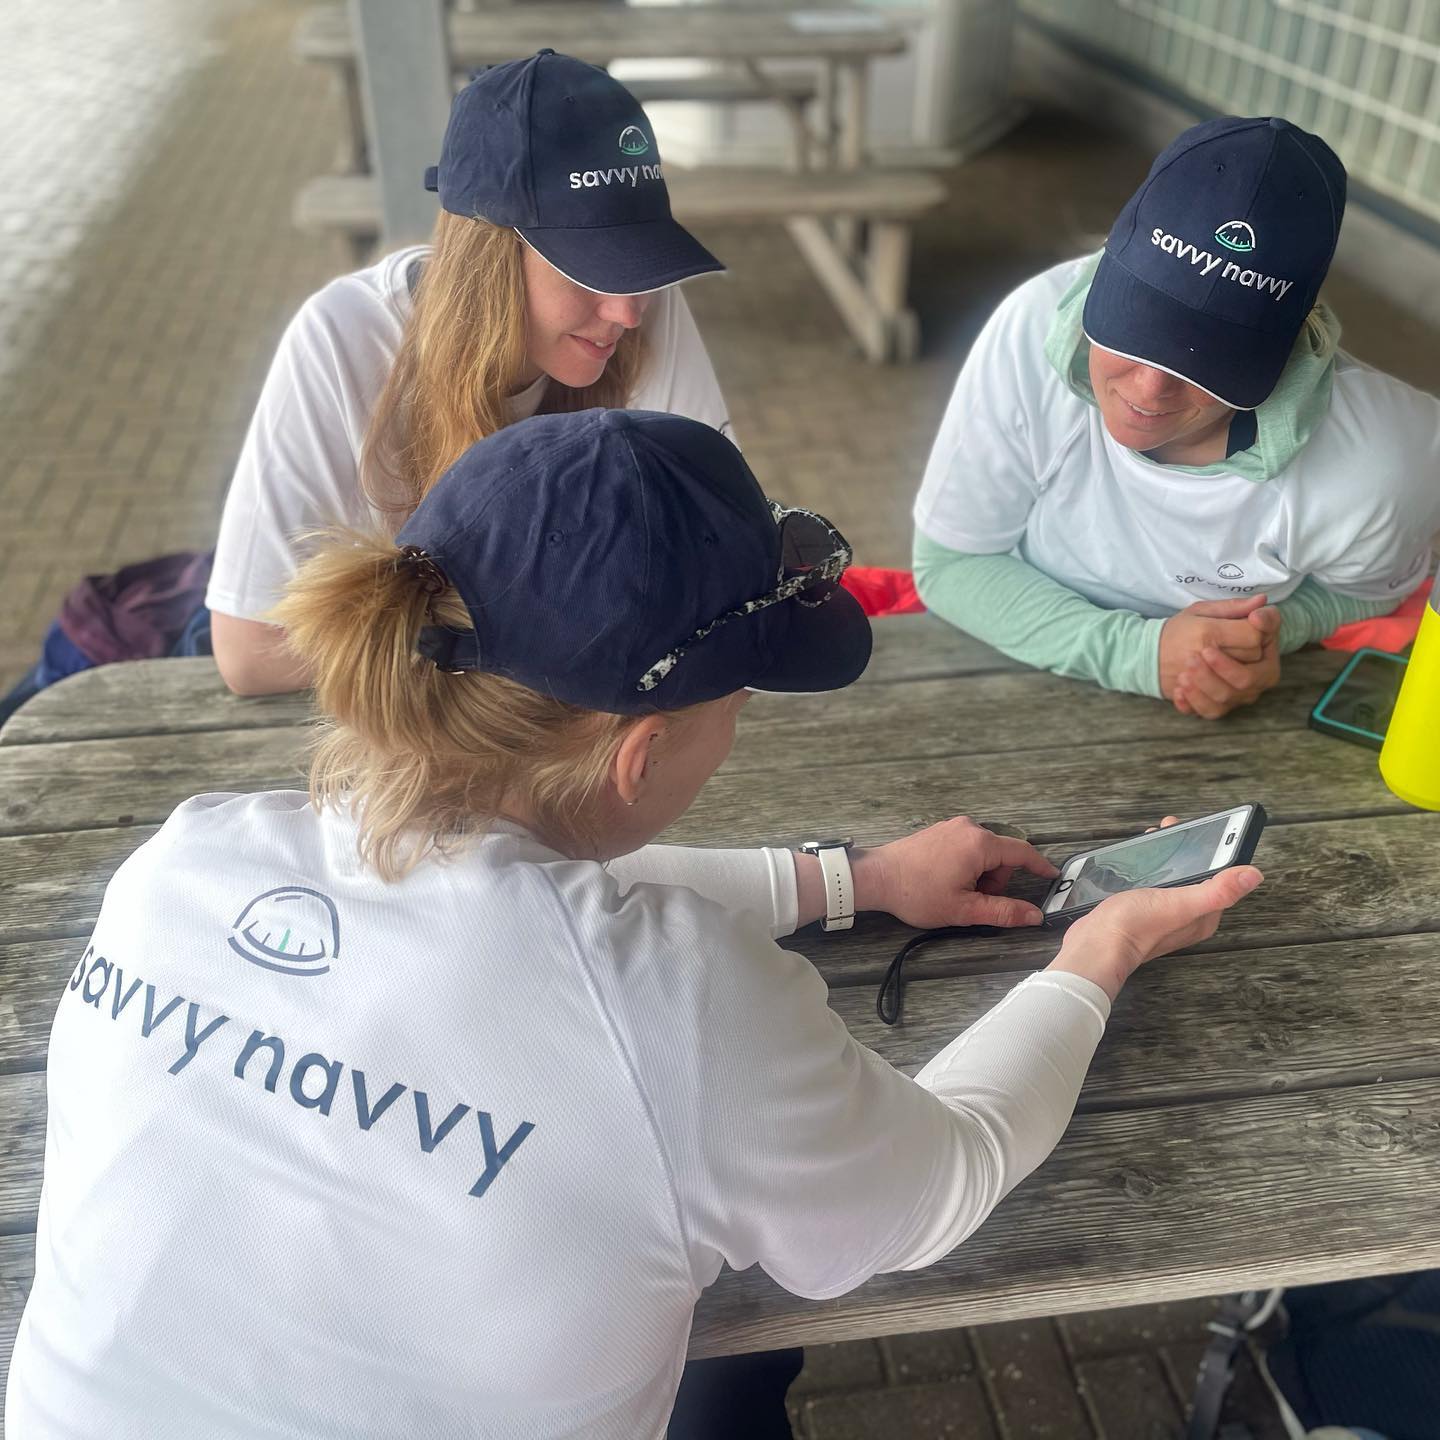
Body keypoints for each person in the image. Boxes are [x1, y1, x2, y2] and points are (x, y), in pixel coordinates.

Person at [6, 410, 1262, 1440]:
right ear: (642, 751)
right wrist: (1101, 951)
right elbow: (944, 1177)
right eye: (740, 700)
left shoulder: (186, 858)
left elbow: (516, 917)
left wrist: (851, 879)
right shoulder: (688, 1006)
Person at [207, 49, 733, 697]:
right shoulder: (343, 338)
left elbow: (721, 546)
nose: (626, 311)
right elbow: (249, 654)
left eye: (639, 259)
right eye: (589, 267)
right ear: (488, 258)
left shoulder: (641, 302)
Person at [913, 116, 1440, 720]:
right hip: (999, 680)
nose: (1148, 388)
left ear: (1290, 338)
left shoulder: (1387, 459)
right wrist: (1144, 653)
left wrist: (1265, 634)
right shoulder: (1031, 325)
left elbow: (1372, 591)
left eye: (1206, 362)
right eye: (1133, 331)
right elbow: (951, 562)